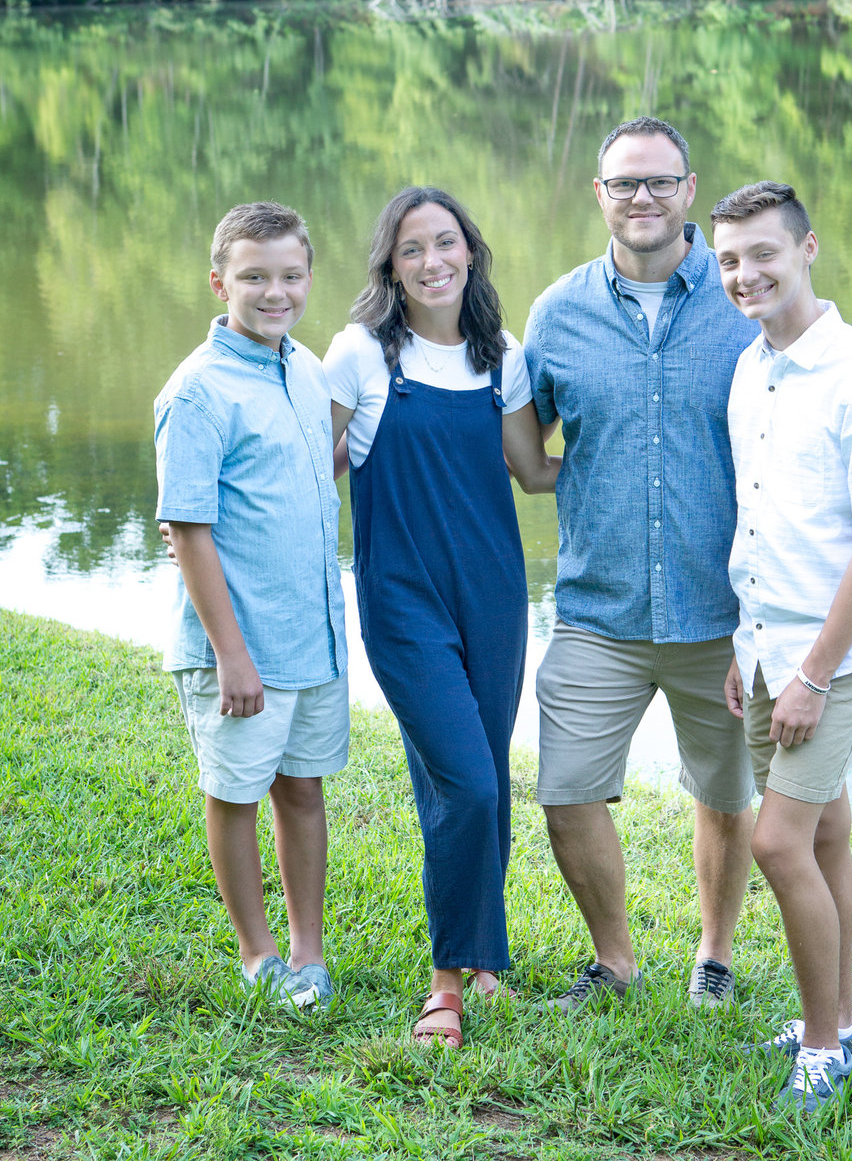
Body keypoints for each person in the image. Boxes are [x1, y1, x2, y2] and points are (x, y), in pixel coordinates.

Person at [523, 116, 760, 1012]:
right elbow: (520, 446)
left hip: (723, 613)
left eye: (660, 181)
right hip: (599, 608)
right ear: (599, 195)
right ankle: (615, 962)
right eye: (625, 184)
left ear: (689, 190)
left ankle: (715, 956)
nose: (643, 199)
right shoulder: (556, 314)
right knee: (566, 790)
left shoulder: (746, 303)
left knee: (727, 794)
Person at [324, 186, 557, 1048]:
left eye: (446, 243)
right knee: (464, 777)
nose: (432, 262)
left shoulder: (504, 356)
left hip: (494, 596)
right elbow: (315, 474)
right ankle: (446, 986)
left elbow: (532, 472)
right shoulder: (358, 355)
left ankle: (487, 964)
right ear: (391, 264)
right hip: (402, 597)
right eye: (413, 248)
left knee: (481, 773)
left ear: (471, 252)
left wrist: (651, 467)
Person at [712, 180, 852, 1111]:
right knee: (825, 829)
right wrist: (741, 645)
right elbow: (759, 519)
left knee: (777, 842)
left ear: (807, 249)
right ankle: (831, 1016)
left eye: (762, 253)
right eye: (726, 259)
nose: (744, 274)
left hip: (830, 657)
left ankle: (824, 1046)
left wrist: (808, 674)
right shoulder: (750, 367)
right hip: (767, 646)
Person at [155, 201, 348, 1011]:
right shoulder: (198, 390)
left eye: (291, 275)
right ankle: (257, 953)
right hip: (238, 644)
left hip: (314, 637)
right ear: (219, 281)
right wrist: (232, 653)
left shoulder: (304, 366)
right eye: (255, 277)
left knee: (302, 789)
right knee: (235, 792)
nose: (276, 291)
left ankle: (308, 950)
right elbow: (188, 528)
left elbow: (308, 477)